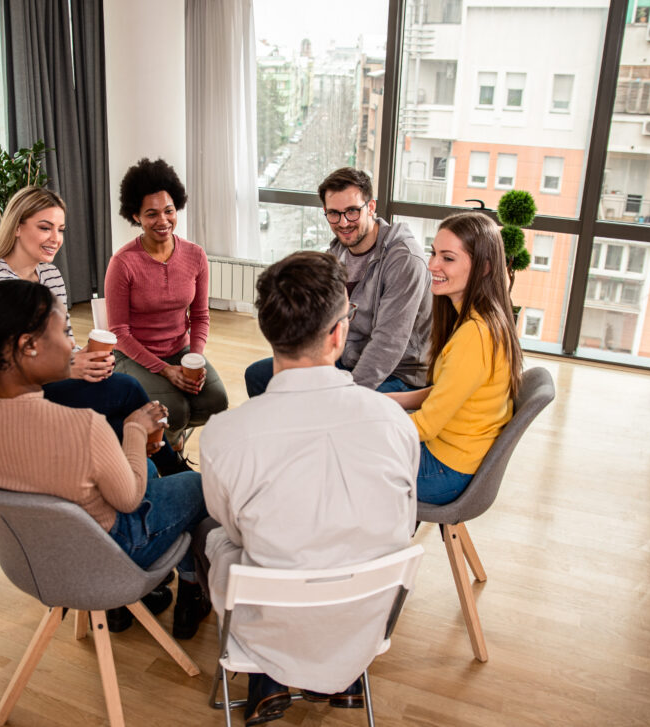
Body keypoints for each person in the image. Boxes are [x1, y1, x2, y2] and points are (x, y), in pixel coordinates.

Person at [198, 251, 418, 726]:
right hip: (366, 620)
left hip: (272, 624)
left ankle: (269, 678)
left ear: (267, 331)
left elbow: (232, 529)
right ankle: (343, 675)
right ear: (339, 333)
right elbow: (403, 517)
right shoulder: (393, 421)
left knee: (213, 535)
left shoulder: (223, 434)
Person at [0, 279, 212, 638]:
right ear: (29, 345)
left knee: (142, 465)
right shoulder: (81, 427)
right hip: (108, 556)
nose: (72, 345)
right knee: (199, 484)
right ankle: (192, 587)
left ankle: (134, 605)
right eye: (64, 331)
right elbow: (128, 499)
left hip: (34, 559)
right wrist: (134, 430)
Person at [0, 186, 188, 476]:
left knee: (121, 422)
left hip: (46, 385)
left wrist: (87, 360)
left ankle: (155, 486)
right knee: (127, 389)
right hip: (6, 402)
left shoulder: (49, 275)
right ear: (17, 227)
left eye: (60, 229)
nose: (55, 239)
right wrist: (67, 369)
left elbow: (64, 342)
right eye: (45, 228)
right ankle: (176, 477)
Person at [244, 167, 431, 398]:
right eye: (334, 213)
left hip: (397, 373)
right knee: (258, 376)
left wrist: (344, 395)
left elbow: (388, 344)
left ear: (370, 207)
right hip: (345, 356)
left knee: (321, 403)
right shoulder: (336, 251)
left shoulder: (404, 260)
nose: (343, 223)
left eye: (352, 211)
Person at [387, 212, 523, 505]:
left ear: (484, 268)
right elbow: (446, 392)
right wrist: (387, 403)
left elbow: (425, 427)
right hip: (455, 456)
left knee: (341, 454)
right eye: (434, 253)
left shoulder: (474, 335)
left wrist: (364, 422)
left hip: (443, 470)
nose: (432, 264)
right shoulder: (480, 318)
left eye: (448, 258)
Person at [105, 158, 228, 447]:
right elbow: (119, 332)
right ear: (136, 216)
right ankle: (169, 443)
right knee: (176, 412)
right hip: (134, 355)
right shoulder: (122, 263)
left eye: (169, 211)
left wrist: (193, 361)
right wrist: (165, 370)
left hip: (179, 349)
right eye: (151, 214)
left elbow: (199, 316)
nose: (163, 221)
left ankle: (172, 433)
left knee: (217, 402)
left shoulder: (195, 255)